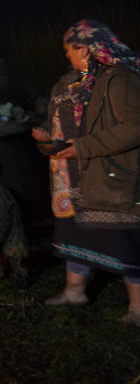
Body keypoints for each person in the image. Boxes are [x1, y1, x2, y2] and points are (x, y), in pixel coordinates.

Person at [32, 20, 140, 325]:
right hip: (70, 174)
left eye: (70, 49)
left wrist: (83, 147)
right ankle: (75, 291)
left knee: (124, 238)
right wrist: (46, 136)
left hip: (110, 173)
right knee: (73, 232)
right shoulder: (74, 81)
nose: (67, 56)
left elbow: (134, 128)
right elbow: (62, 122)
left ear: (86, 47)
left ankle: (138, 308)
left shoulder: (121, 78)